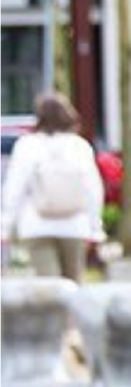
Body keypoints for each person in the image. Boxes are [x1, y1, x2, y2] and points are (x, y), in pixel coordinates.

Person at [0, 93, 106, 281]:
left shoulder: (27, 146)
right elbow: (93, 189)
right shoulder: (79, 146)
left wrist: (5, 226)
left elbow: (14, 189)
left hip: (36, 225)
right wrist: (95, 228)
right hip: (75, 226)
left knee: (49, 288)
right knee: (73, 287)